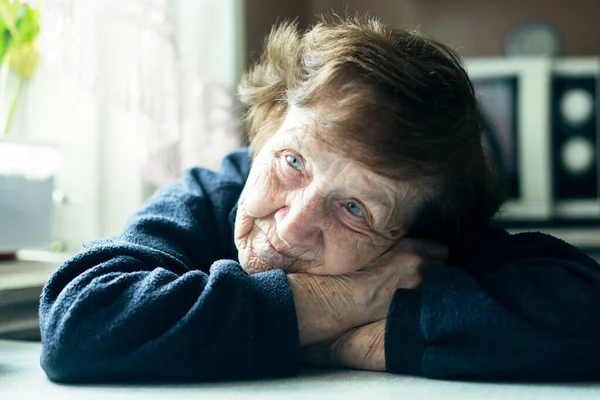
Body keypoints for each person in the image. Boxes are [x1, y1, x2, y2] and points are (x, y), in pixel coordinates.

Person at [39, 16, 600, 383]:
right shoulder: (213, 195)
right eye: (293, 162)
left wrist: (349, 346)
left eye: (354, 209)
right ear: (268, 126)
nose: (294, 224)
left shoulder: (431, 248)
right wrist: (347, 300)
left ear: (411, 237)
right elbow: (77, 321)